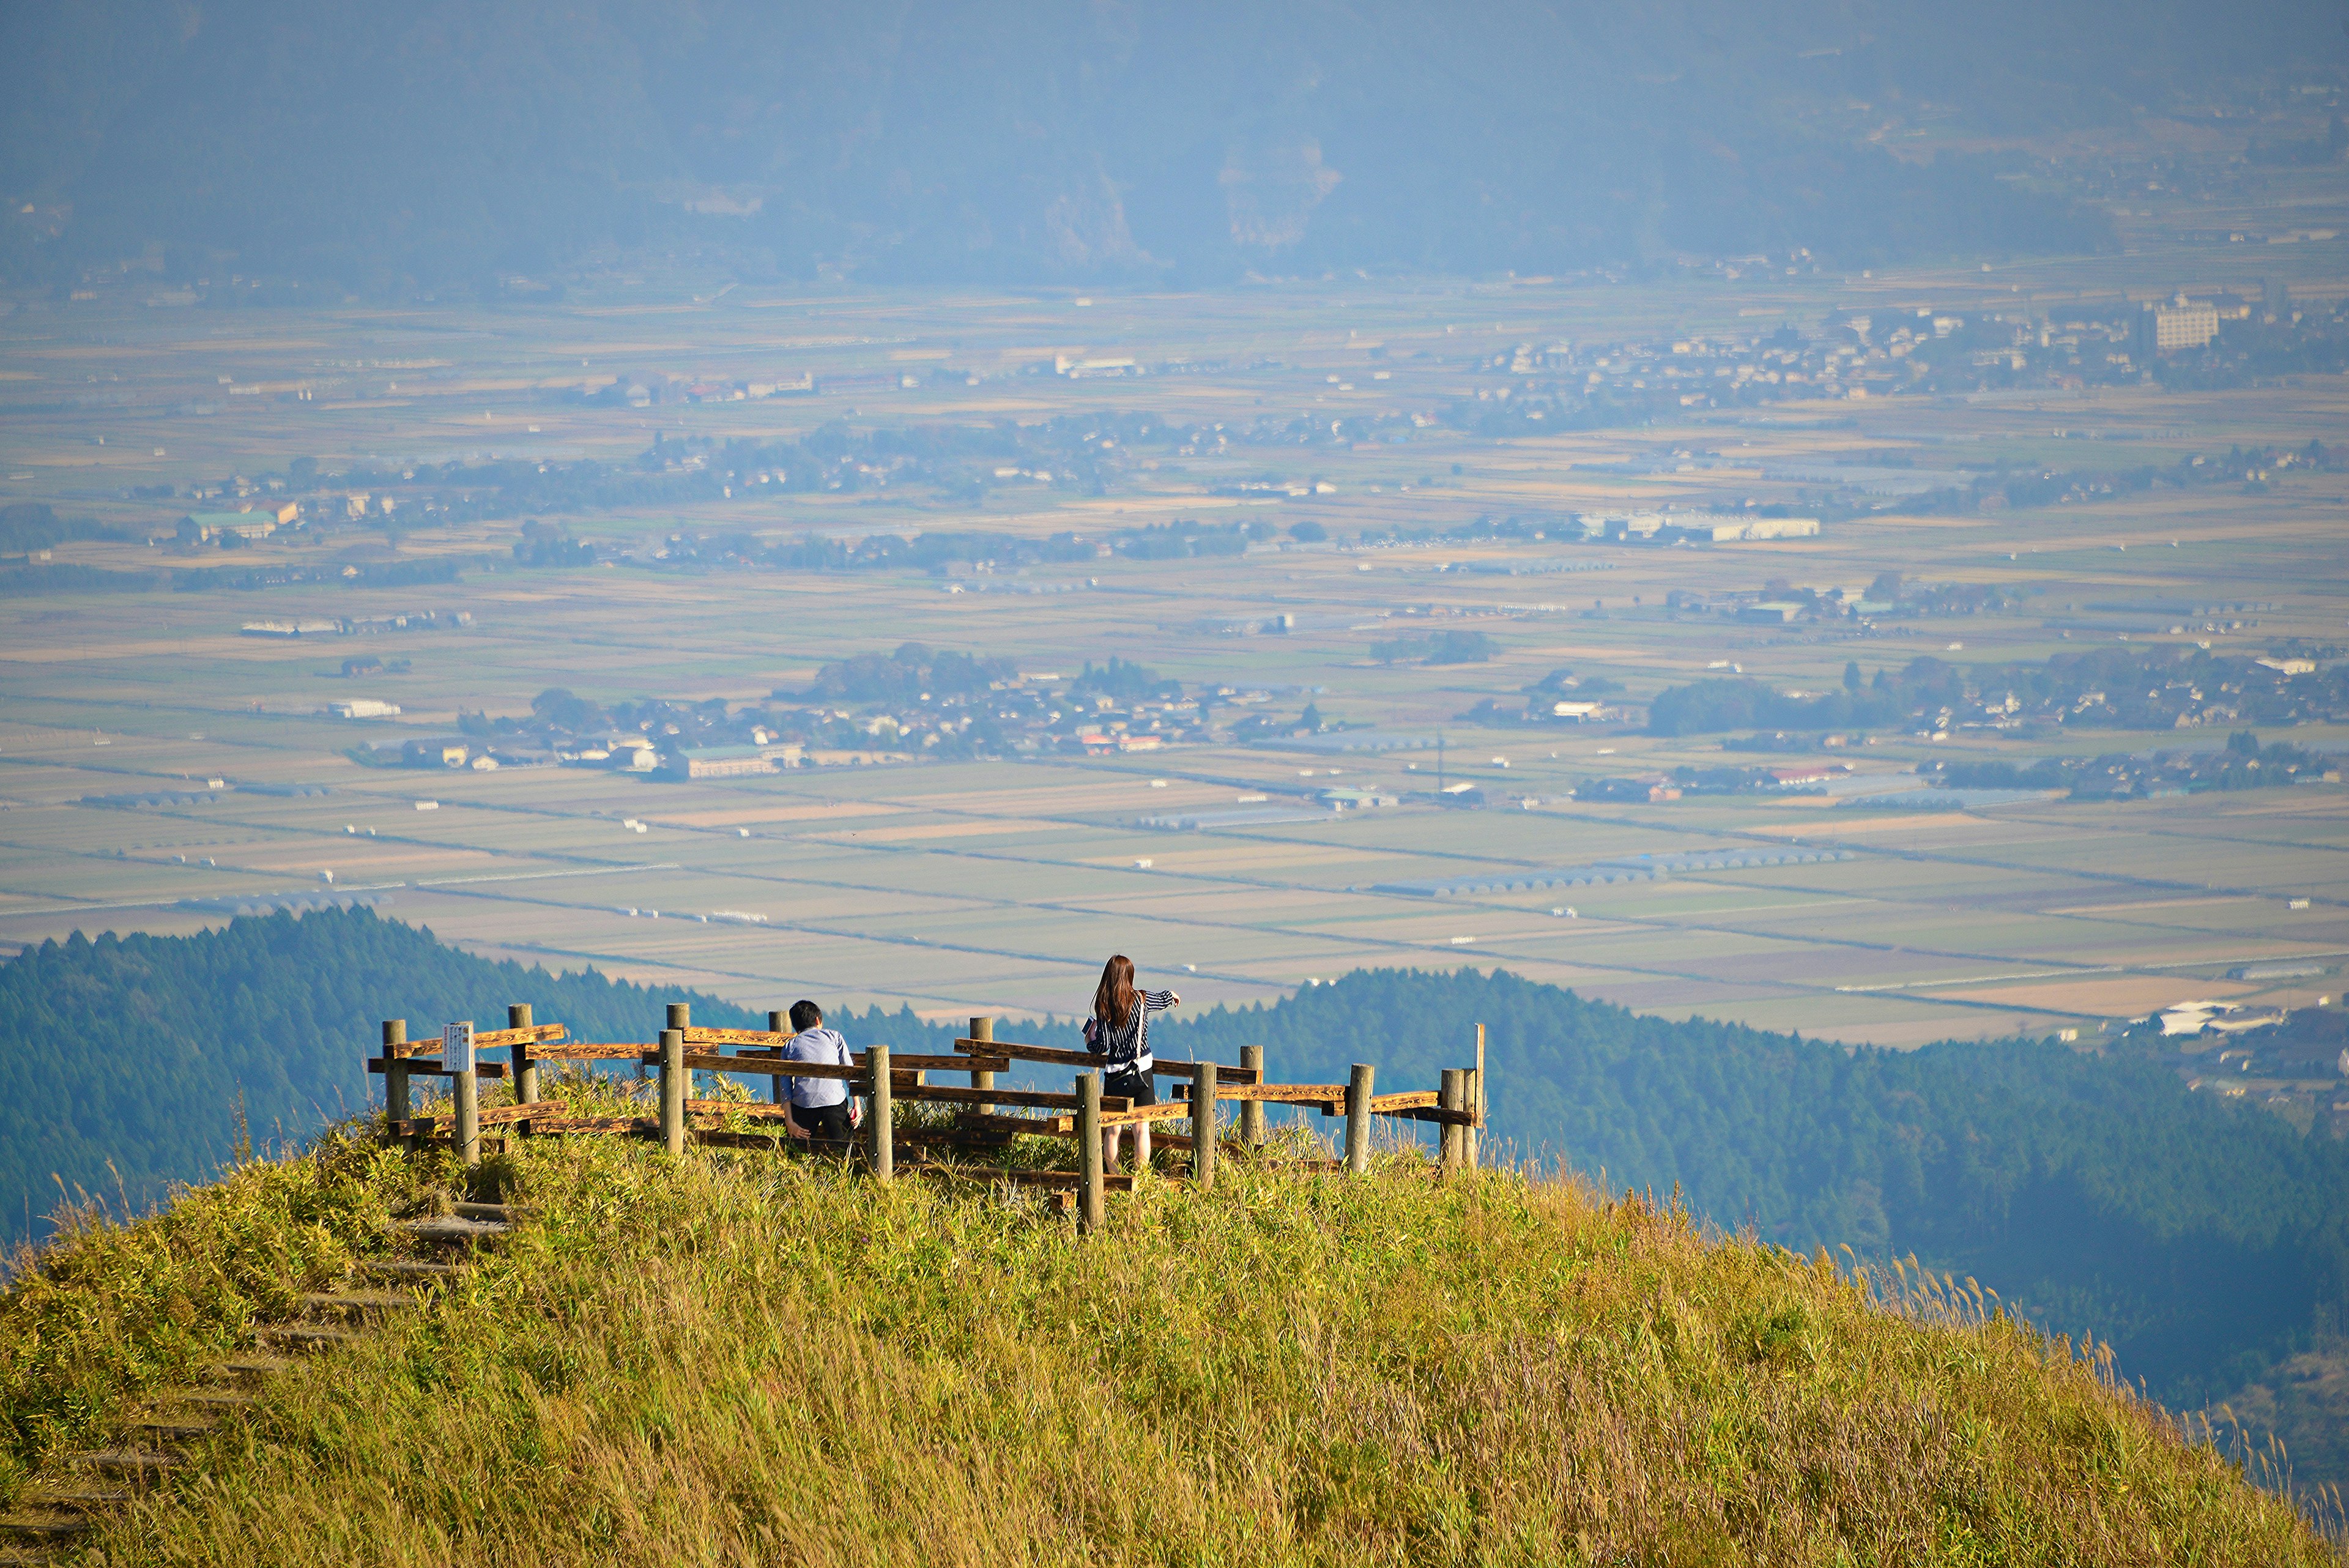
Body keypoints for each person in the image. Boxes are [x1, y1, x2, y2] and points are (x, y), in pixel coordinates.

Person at [1083, 954, 1179, 1172]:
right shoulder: (1141, 1000)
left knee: (1113, 1129)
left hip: (1116, 1074)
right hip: (1142, 1070)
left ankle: (1115, 1176)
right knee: (1142, 1128)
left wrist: (1089, 1040)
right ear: (1130, 976)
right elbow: (1161, 999)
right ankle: (1140, 1178)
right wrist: (1171, 996)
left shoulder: (1105, 1007)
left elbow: (1103, 1045)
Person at [779, 999, 858, 1148]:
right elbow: (850, 1071)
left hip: (804, 1103)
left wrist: (789, 1122)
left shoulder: (790, 1046)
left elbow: (785, 1086)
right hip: (834, 1100)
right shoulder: (834, 1037)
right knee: (845, 1150)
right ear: (818, 1020)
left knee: (796, 1151)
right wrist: (857, 1105)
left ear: (795, 1026)